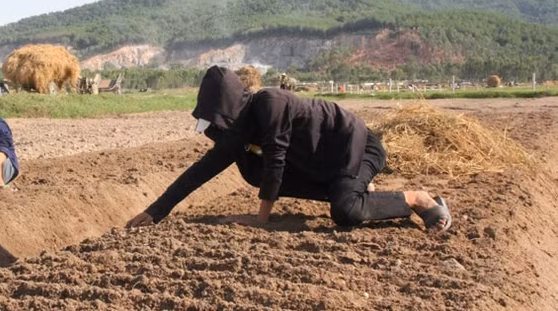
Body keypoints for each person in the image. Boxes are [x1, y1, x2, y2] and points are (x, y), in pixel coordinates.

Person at [126, 66, 451, 231]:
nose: (213, 133)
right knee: (252, 169)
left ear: (226, 111)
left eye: (214, 123)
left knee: (346, 212)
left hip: (359, 147)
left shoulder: (270, 103)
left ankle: (417, 198)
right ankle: (354, 188)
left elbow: (277, 162)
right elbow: (201, 171)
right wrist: (155, 211)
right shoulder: (239, 133)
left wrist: (259, 219)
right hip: (328, 162)